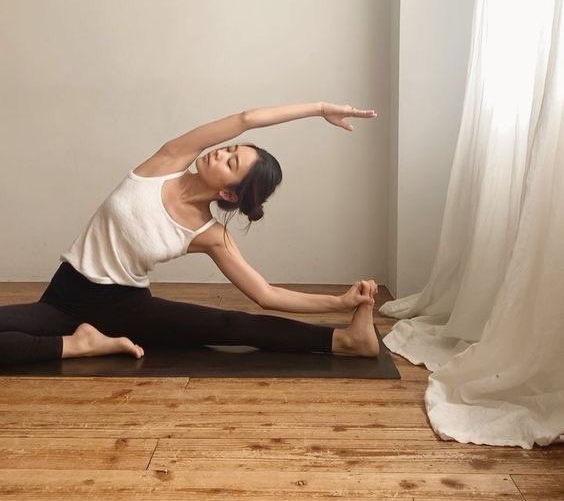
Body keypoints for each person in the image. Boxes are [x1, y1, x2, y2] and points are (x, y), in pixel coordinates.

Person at [0, 101, 380, 366]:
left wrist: (340, 303)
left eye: (231, 162)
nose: (219, 153)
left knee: (231, 326)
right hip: (63, 295)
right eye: (229, 148)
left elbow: (265, 295)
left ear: (229, 193)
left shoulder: (209, 234)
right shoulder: (167, 161)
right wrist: (319, 109)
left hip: (124, 306)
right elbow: (247, 117)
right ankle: (78, 345)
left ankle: (347, 341)